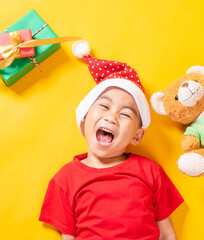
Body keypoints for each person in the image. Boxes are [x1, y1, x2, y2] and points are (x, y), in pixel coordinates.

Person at [39, 41, 184, 240]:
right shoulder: (64, 179)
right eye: (105, 107)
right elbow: (68, 237)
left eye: (125, 114)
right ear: (84, 117)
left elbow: (167, 235)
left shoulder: (150, 172)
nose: (111, 117)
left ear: (137, 135)